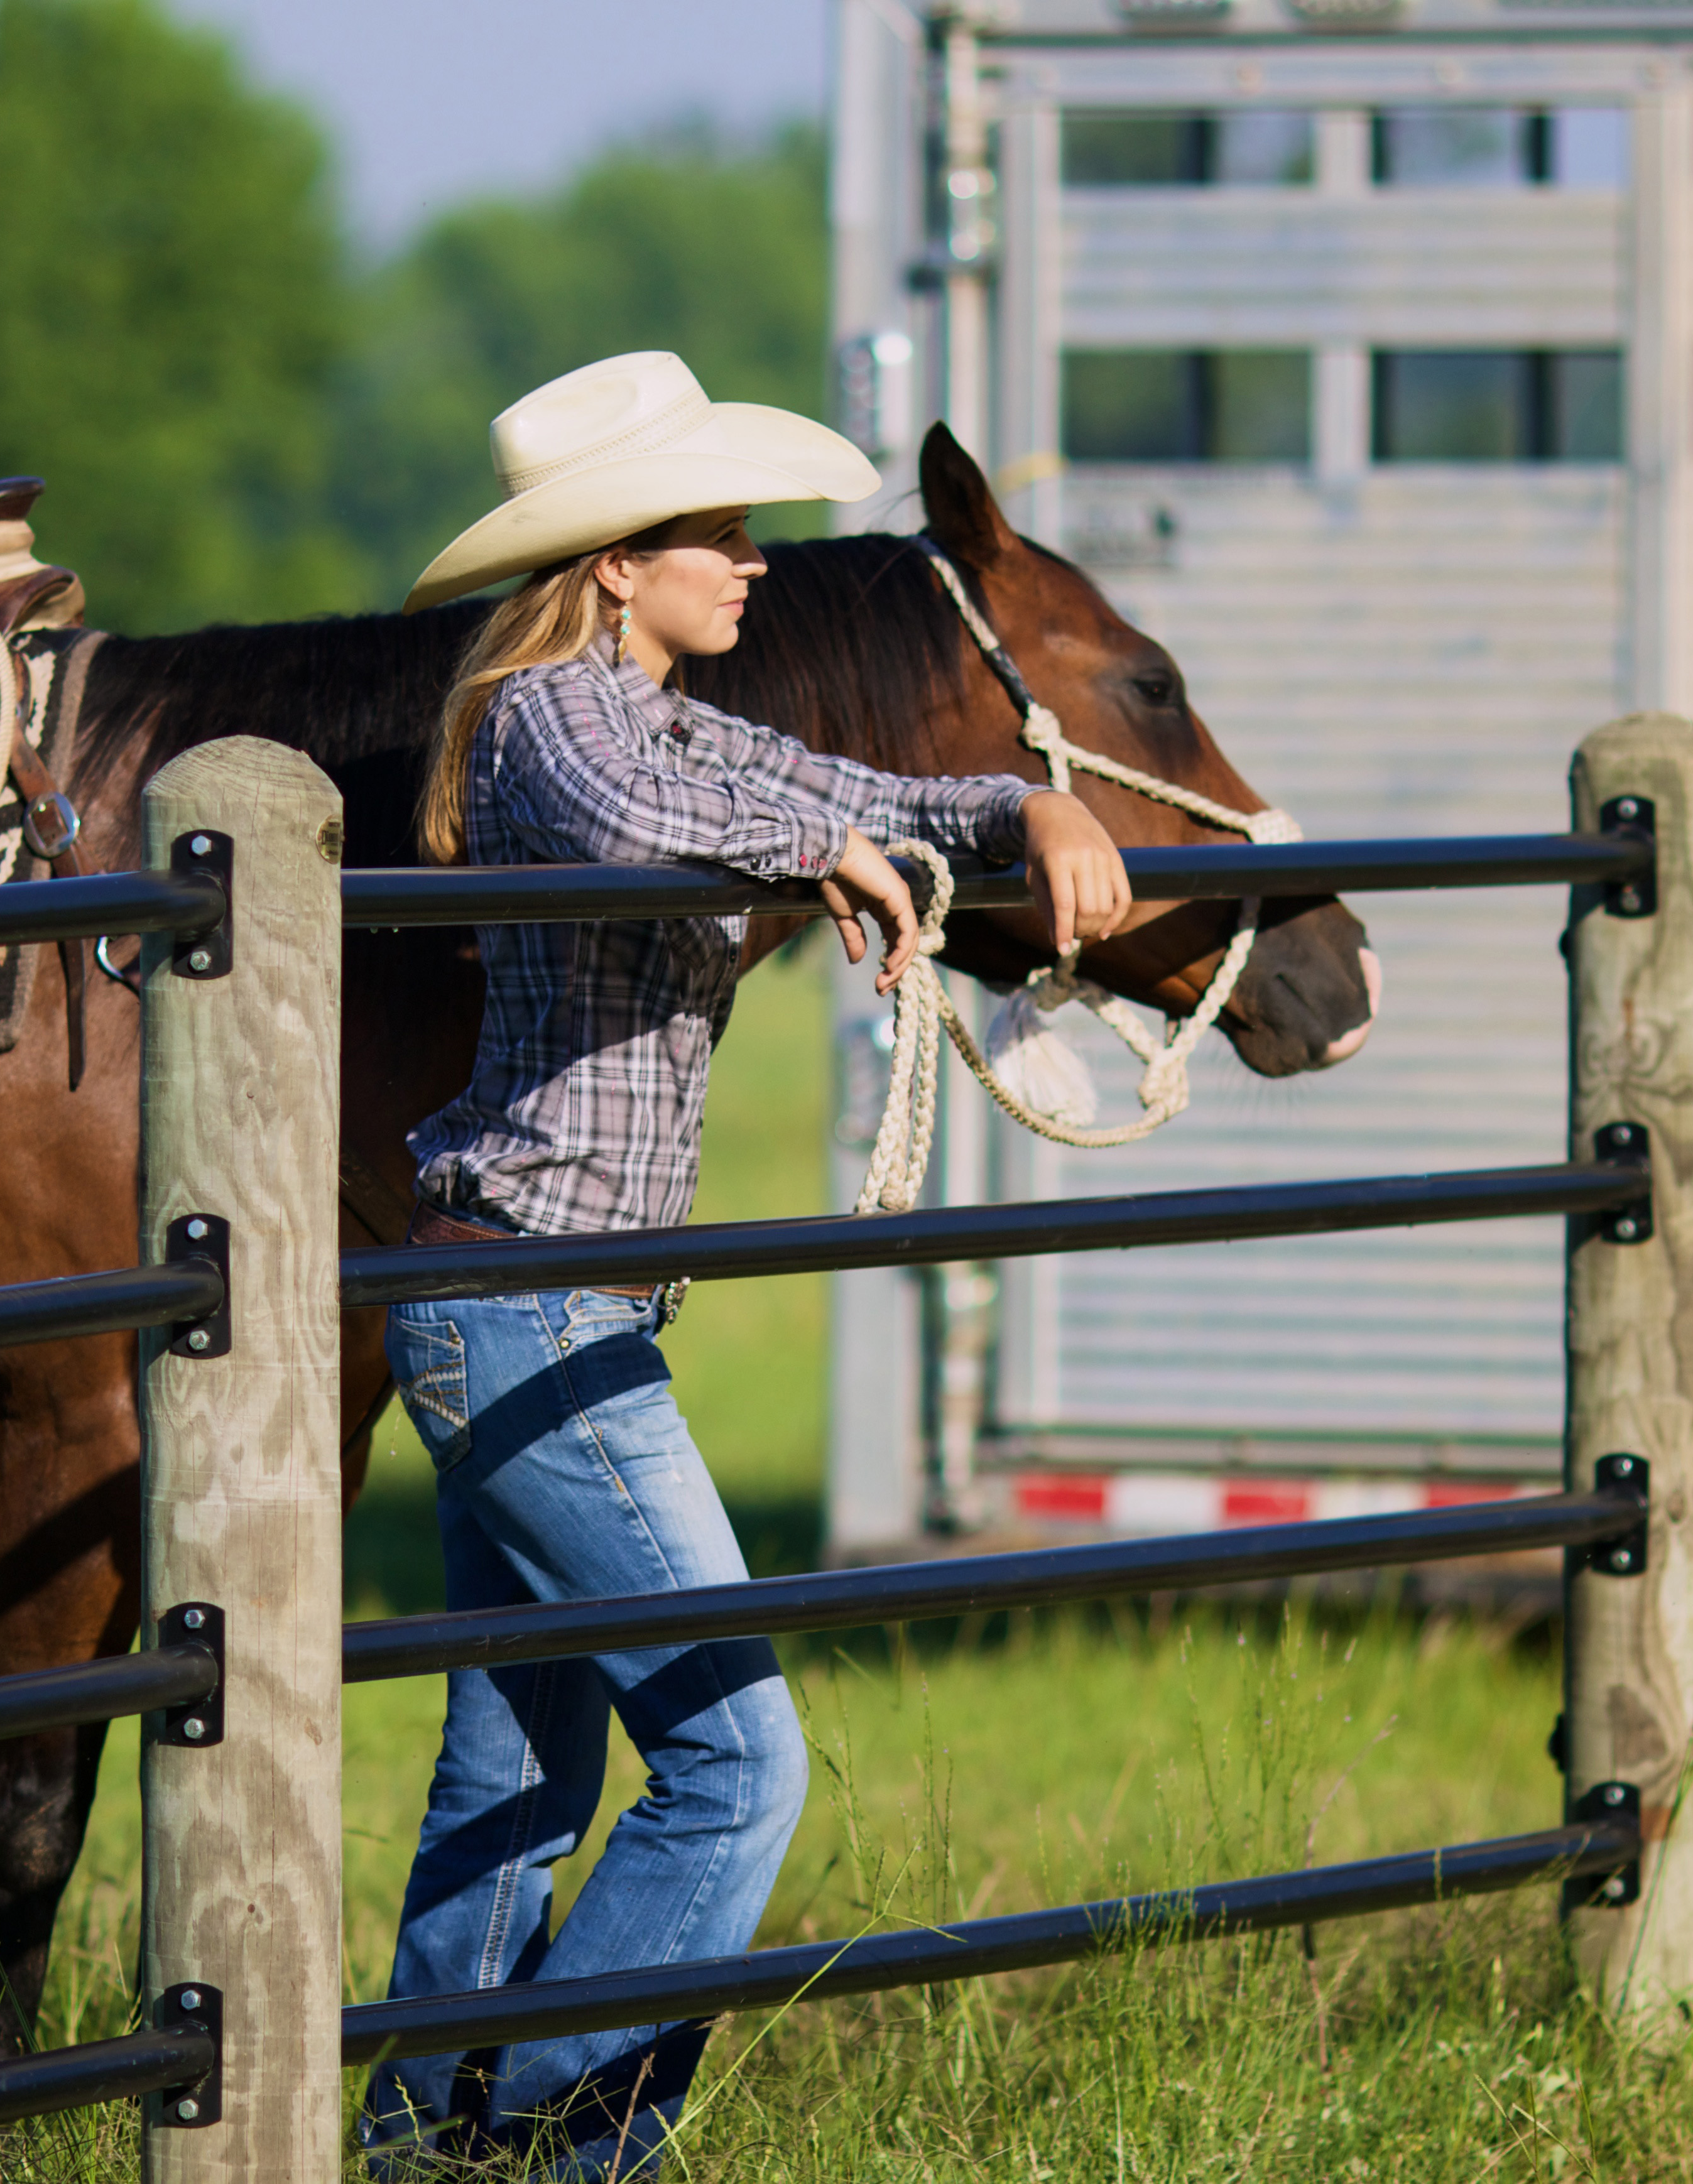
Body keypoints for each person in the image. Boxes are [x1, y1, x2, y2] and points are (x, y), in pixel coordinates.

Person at [362, 351, 1133, 2178]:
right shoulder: (556, 719)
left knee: (520, 1781)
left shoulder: (678, 718)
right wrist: (832, 851)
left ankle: (412, 2150)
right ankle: (553, 2144)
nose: (754, 556)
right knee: (736, 1764)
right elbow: (648, 833)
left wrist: (1023, 811)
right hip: (529, 1299)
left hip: (543, 1300)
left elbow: (840, 784)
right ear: (614, 562)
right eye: (713, 527)